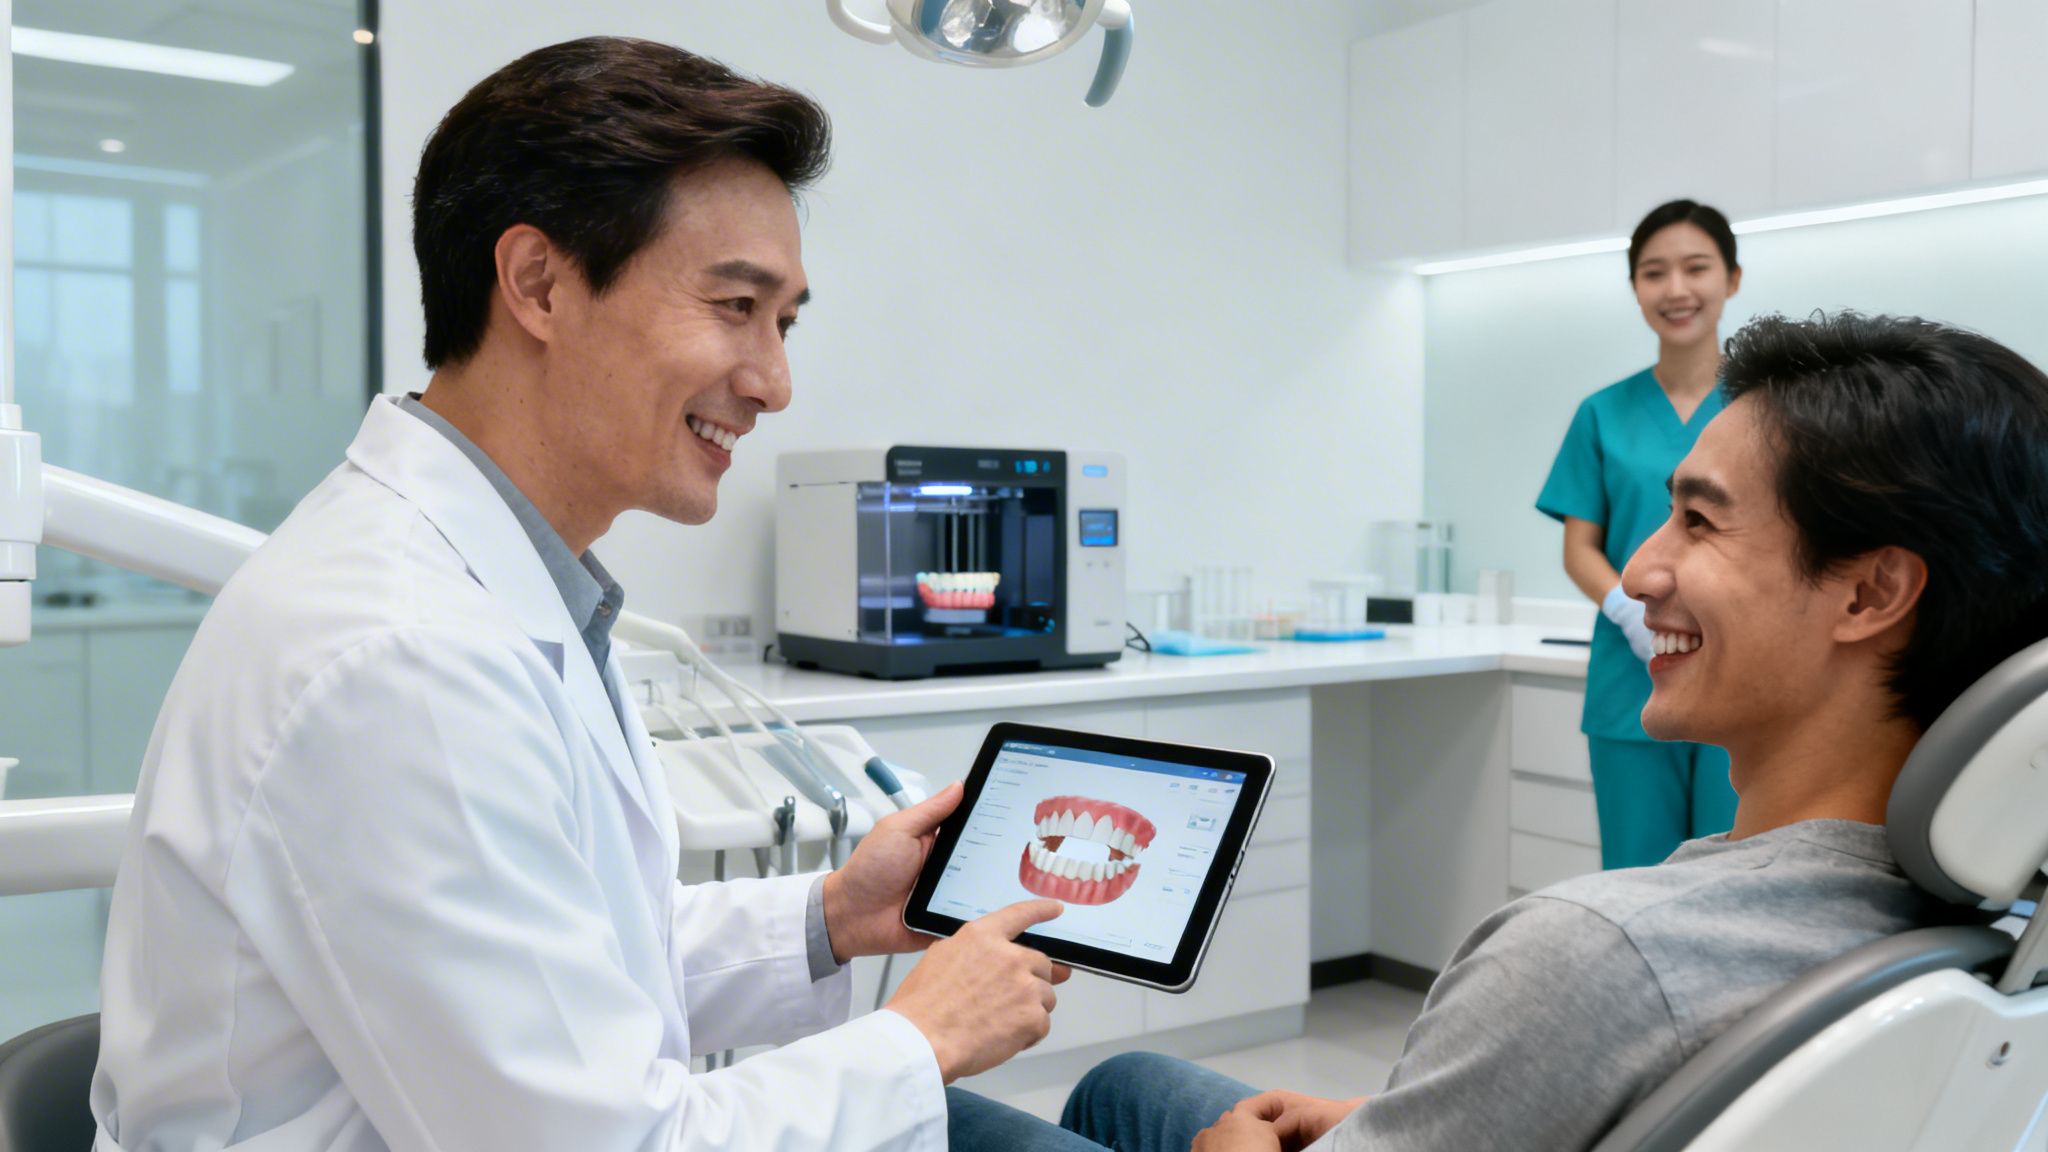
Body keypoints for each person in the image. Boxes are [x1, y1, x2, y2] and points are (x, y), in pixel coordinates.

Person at [90, 38, 1068, 1151]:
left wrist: (833, 916)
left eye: (784, 322)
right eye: (735, 305)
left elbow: (571, 971)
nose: (774, 382)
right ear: (539, 285)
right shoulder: (400, 656)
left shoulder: (498, 590)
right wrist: (922, 1040)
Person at [954, 311, 2048, 1150]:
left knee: (946, 1112)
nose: (1638, 570)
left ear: (1868, 593)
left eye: (1698, 520)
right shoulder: (1985, 926)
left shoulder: (1597, 952)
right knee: (1128, 1085)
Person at [1536, 199, 1746, 869]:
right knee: (1636, 879)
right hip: (1634, 677)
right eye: (1655, 273)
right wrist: (1628, 610)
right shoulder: (1602, 414)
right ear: (1635, 288)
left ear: (1732, 279)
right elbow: (1579, 548)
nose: (1676, 289)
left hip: (1743, 665)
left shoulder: (1762, 412)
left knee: (1735, 876)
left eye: (1696, 268)